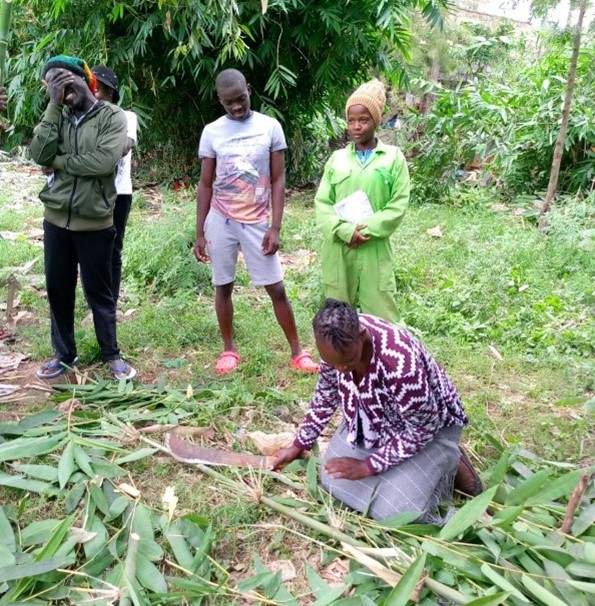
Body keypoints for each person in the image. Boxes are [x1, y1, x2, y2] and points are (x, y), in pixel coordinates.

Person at [272, 299, 482, 523]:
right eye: (334, 364)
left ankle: (449, 455)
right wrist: (298, 445)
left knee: (398, 513)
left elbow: (422, 429)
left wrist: (368, 466)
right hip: (374, 421)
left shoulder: (400, 364)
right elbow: (325, 396)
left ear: (362, 335)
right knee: (330, 478)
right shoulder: (335, 348)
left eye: (348, 362)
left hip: (430, 427)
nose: (341, 370)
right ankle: (425, 464)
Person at [194, 68, 318, 375]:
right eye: (228, 103)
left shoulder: (270, 127)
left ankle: (297, 352)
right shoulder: (212, 132)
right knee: (223, 286)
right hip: (220, 221)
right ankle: (228, 350)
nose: (236, 107)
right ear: (220, 101)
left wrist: (275, 226)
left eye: (240, 99)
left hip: (258, 221)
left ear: (249, 89)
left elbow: (278, 179)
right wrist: (199, 231)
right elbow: (205, 184)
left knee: (276, 288)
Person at [29, 55, 136, 381]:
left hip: (95, 221)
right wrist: (52, 106)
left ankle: (112, 355)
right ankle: (64, 353)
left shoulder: (113, 117)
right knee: (58, 289)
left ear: (83, 78)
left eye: (63, 80)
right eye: (52, 84)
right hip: (56, 219)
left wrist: (59, 162)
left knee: (99, 293)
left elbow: (103, 163)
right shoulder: (56, 116)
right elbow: (38, 154)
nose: (60, 89)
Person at [315, 79, 410, 324]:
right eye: (351, 120)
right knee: (337, 316)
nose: (356, 127)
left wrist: (364, 230)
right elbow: (323, 204)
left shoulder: (393, 158)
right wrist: (345, 231)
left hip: (373, 246)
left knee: (382, 315)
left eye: (364, 120)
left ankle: (385, 361)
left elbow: (398, 204)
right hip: (339, 247)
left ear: (375, 122)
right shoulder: (337, 160)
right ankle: (339, 363)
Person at [91, 65, 138, 304]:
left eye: (96, 90)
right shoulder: (86, 118)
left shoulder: (127, 117)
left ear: (109, 91)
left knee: (113, 249)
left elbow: (124, 147)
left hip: (119, 192)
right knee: (92, 250)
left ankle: (111, 301)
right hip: (92, 193)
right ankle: (96, 303)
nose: (92, 95)